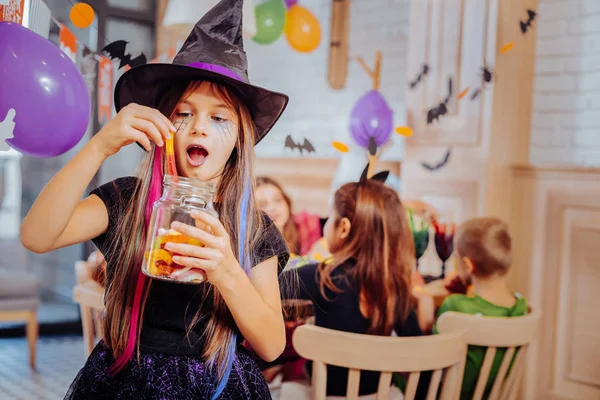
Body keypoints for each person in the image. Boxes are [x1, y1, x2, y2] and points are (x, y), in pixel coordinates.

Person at [20, 1, 290, 398]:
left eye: (219, 118)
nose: (199, 127)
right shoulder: (127, 200)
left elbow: (271, 346)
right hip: (123, 380)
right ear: (162, 125)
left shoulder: (253, 226)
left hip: (218, 383)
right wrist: (97, 147)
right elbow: (36, 236)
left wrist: (226, 271)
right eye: (183, 113)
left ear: (238, 139)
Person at [280, 178, 426, 397]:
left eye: (330, 217)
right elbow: (419, 357)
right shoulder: (395, 286)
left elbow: (259, 293)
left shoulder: (317, 277)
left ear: (344, 227)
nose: (326, 225)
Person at [433, 217, 528, 400]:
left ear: (468, 265)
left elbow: (433, 358)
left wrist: (427, 317)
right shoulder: (521, 308)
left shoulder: (455, 307)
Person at [256, 176, 325, 256]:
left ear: (287, 202)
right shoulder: (248, 249)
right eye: (262, 205)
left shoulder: (305, 226)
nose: (272, 208)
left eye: (277, 200)